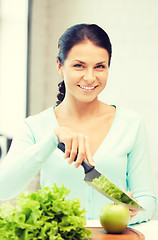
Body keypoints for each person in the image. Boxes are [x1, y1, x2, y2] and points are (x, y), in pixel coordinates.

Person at [0, 23, 157, 224]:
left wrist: (131, 213)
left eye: (100, 66)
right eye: (79, 65)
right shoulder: (34, 127)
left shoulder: (131, 124)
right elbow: (4, 189)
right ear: (59, 65)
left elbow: (148, 200)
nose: (90, 77)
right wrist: (51, 140)